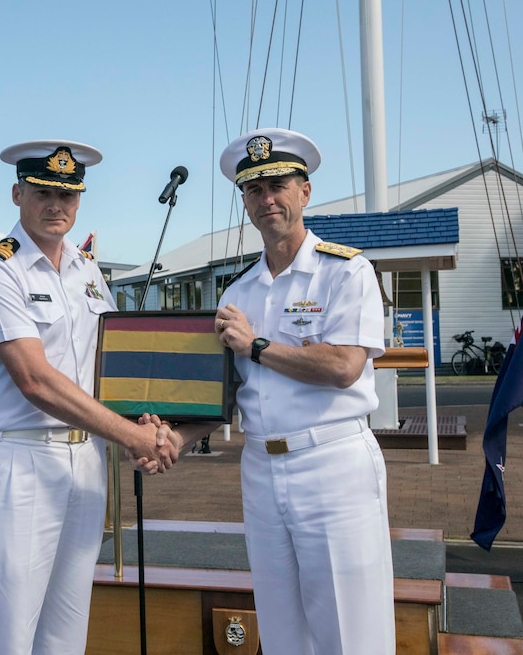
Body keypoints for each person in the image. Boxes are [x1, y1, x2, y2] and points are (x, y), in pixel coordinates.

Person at [144, 128, 396, 655]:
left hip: (331, 462)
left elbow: (345, 366)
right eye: (255, 190)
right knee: (281, 630)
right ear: (245, 202)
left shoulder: (346, 272)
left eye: (279, 185)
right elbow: (231, 391)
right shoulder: (239, 291)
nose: (268, 199)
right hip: (260, 467)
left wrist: (257, 345)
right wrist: (175, 439)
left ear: (305, 191)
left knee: (351, 632)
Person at [0, 141, 179, 655]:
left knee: (66, 630)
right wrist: (133, 436)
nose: (56, 205)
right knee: (8, 633)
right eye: (43, 193)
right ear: (17, 194)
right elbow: (35, 380)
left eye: (68, 194)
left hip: (84, 462)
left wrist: (143, 419)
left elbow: (106, 367)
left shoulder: (86, 270)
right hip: (19, 462)